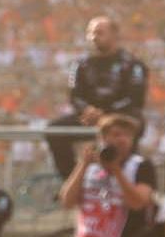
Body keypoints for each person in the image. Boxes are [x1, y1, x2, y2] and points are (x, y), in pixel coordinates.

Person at [59, 113, 158, 237]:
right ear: (102, 138)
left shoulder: (140, 166)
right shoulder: (88, 166)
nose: (122, 140)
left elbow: (138, 202)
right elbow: (67, 201)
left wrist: (117, 172)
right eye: (116, 134)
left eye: (127, 135)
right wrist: (82, 165)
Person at [47, 16, 147, 179]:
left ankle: (130, 177)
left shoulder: (132, 64)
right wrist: (87, 110)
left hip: (121, 115)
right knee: (54, 130)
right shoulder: (80, 64)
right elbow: (74, 95)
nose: (93, 37)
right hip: (89, 116)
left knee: (132, 125)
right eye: (91, 33)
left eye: (99, 33)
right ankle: (71, 180)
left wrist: (106, 113)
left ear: (114, 35)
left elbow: (135, 98)